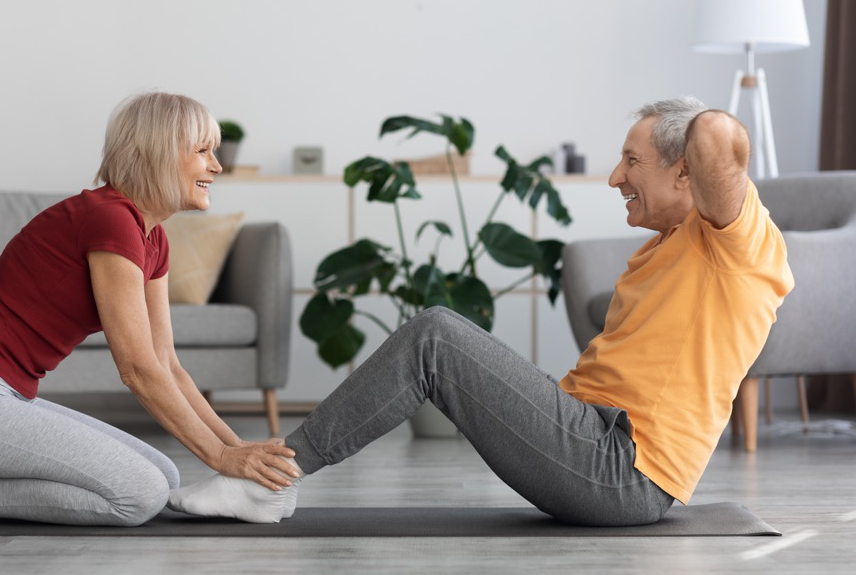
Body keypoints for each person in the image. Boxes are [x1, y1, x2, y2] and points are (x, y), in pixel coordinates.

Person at [172, 97, 795, 527]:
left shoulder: (739, 241)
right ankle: (271, 477)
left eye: (631, 161)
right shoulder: (671, 246)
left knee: (435, 337)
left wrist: (694, 134)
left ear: (685, 172)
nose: (614, 177)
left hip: (621, 468)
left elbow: (716, 135)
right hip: (592, 442)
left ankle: (269, 481)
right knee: (437, 340)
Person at [0, 92, 301, 526]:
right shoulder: (110, 219)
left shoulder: (153, 238)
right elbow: (138, 369)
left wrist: (235, 456)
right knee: (139, 495)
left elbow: (167, 364)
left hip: (4, 396)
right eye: (202, 151)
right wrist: (222, 457)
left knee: (163, 473)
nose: (216, 166)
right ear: (157, 153)